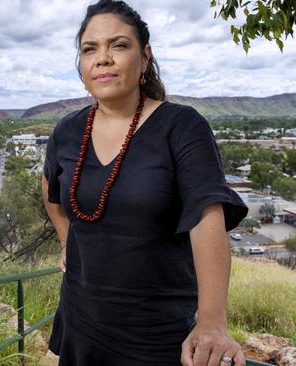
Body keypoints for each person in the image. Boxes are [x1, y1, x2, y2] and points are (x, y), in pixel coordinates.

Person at [41, 1, 249, 365]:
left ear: (145, 56)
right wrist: (67, 242)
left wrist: (213, 322)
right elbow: (51, 190)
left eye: (118, 45)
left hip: (155, 332)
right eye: (90, 49)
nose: (102, 58)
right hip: (80, 318)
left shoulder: (182, 127)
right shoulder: (67, 131)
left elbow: (207, 216)